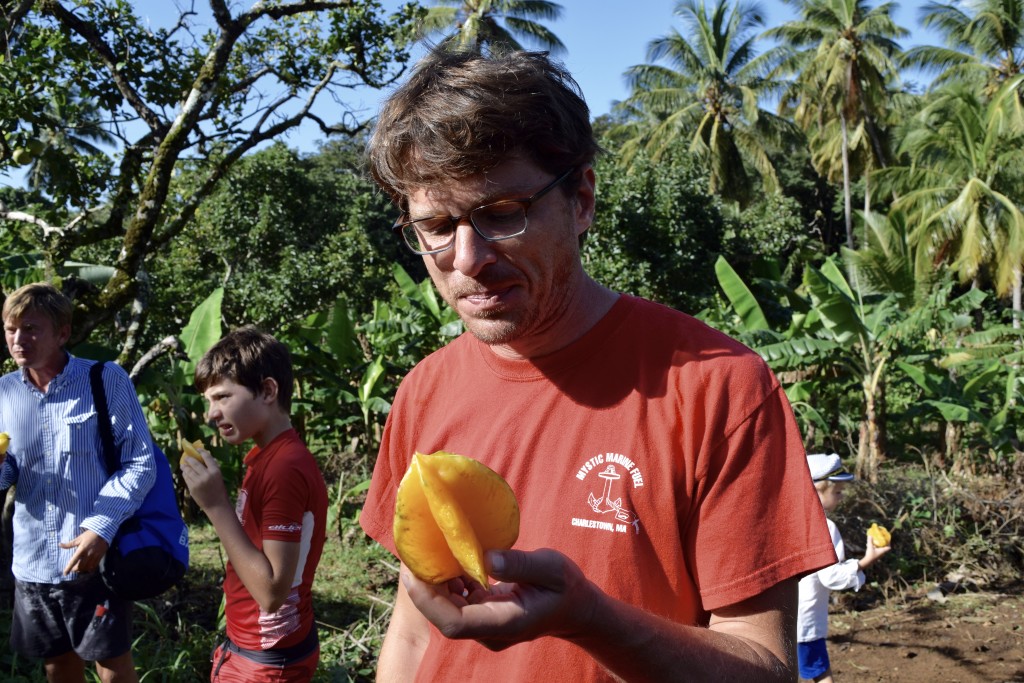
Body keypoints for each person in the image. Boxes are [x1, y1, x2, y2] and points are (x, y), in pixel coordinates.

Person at [358, 47, 840, 681]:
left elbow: (765, 666)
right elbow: (415, 630)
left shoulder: (719, 388)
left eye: (502, 214)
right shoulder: (426, 389)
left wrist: (590, 617)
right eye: (436, 225)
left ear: (580, 198)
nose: (466, 257)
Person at [0, 282, 156, 683]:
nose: (19, 340)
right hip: (33, 562)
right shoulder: (4, 394)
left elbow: (140, 462)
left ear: (63, 333)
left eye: (31, 328)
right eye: (10, 329)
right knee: (58, 666)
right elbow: (10, 475)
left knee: (112, 666)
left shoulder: (105, 381)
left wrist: (100, 528)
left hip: (95, 560)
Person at [180, 326, 328, 683]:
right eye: (208, 402)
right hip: (264, 651)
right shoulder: (268, 457)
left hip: (264, 664)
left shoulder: (282, 468)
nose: (211, 414)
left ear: (267, 390)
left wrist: (215, 505)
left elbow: (271, 592)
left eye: (222, 397)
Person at [797, 453, 891, 682]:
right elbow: (831, 576)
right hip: (806, 622)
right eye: (837, 491)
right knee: (821, 674)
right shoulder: (825, 527)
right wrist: (866, 560)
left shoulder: (788, 521)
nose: (841, 496)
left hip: (783, 618)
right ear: (816, 490)